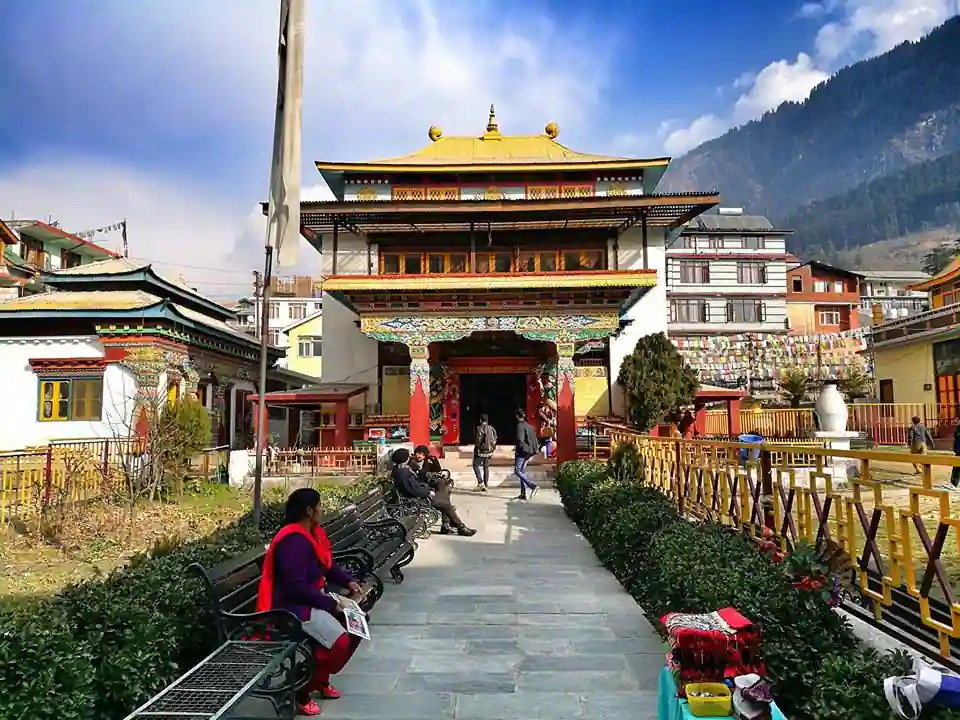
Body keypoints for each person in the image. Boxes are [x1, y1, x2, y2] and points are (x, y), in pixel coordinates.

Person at [256, 488, 364, 716]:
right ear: (308, 510)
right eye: (319, 506)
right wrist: (330, 604)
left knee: (357, 624)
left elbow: (326, 564)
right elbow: (295, 588)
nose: (321, 510)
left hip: (313, 598)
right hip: (292, 608)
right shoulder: (293, 541)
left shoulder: (312, 534)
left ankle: (320, 678)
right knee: (340, 642)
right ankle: (301, 690)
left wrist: (348, 581)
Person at [394, 447, 476, 536]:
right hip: (417, 499)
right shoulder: (403, 472)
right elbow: (414, 490)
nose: (411, 457)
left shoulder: (400, 470)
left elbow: (417, 483)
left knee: (443, 491)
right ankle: (460, 527)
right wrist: (428, 492)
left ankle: (449, 525)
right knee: (446, 504)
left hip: (418, 494)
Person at [514, 408, 539, 500]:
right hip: (530, 452)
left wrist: (517, 449)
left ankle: (532, 486)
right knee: (522, 471)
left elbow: (520, 440)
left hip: (522, 452)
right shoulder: (529, 426)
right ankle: (523, 493)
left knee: (517, 471)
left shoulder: (520, 426)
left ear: (517, 416)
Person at [473, 413, 497, 491]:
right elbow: (495, 439)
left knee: (475, 465)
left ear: (480, 420)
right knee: (486, 467)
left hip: (481, 451)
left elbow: (478, 441)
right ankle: (486, 485)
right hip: (489, 451)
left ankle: (480, 483)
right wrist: (492, 449)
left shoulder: (479, 428)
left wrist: (476, 449)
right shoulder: (492, 428)